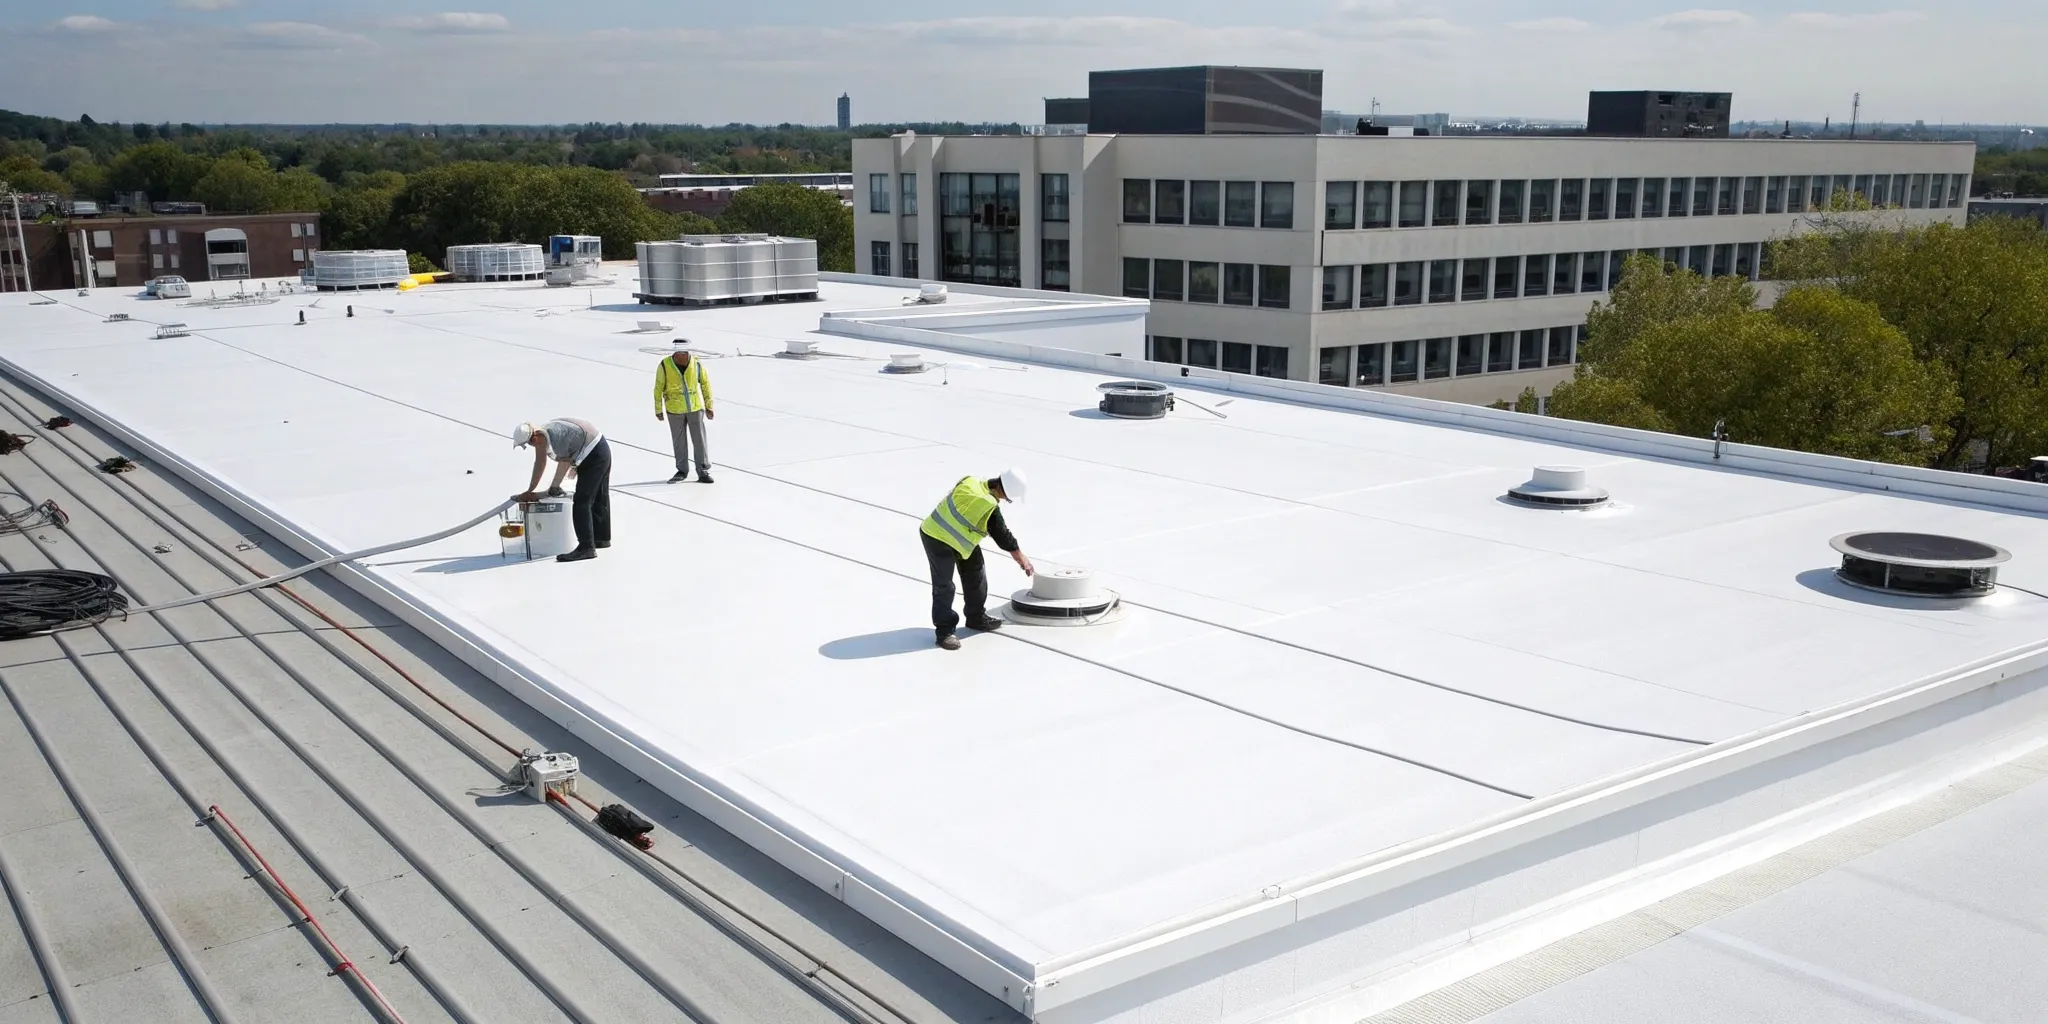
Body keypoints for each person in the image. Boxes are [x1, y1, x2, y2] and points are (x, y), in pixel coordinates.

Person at [920, 468, 1035, 651]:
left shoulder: (971, 480)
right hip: (935, 536)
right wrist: (1023, 560)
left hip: (957, 537)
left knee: (975, 571)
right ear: (1006, 493)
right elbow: (1003, 536)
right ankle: (944, 632)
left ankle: (976, 618)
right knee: (944, 586)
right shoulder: (989, 505)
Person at [513, 418, 610, 562]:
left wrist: (551, 487)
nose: (530, 446)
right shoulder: (545, 434)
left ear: (534, 436)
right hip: (600, 448)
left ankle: (586, 548)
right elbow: (540, 461)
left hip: (594, 454)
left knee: (582, 501)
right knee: (598, 496)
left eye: (529, 443)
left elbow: (561, 462)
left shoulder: (554, 439)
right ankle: (601, 539)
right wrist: (531, 490)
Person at [653, 339, 714, 484]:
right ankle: (682, 470)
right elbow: (658, 387)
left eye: (684, 350)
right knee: (679, 441)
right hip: (674, 409)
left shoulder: (696, 364)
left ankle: (703, 470)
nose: (681, 353)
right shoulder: (665, 365)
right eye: (678, 350)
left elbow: (705, 384)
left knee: (699, 440)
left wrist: (709, 406)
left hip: (694, 408)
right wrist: (658, 409)